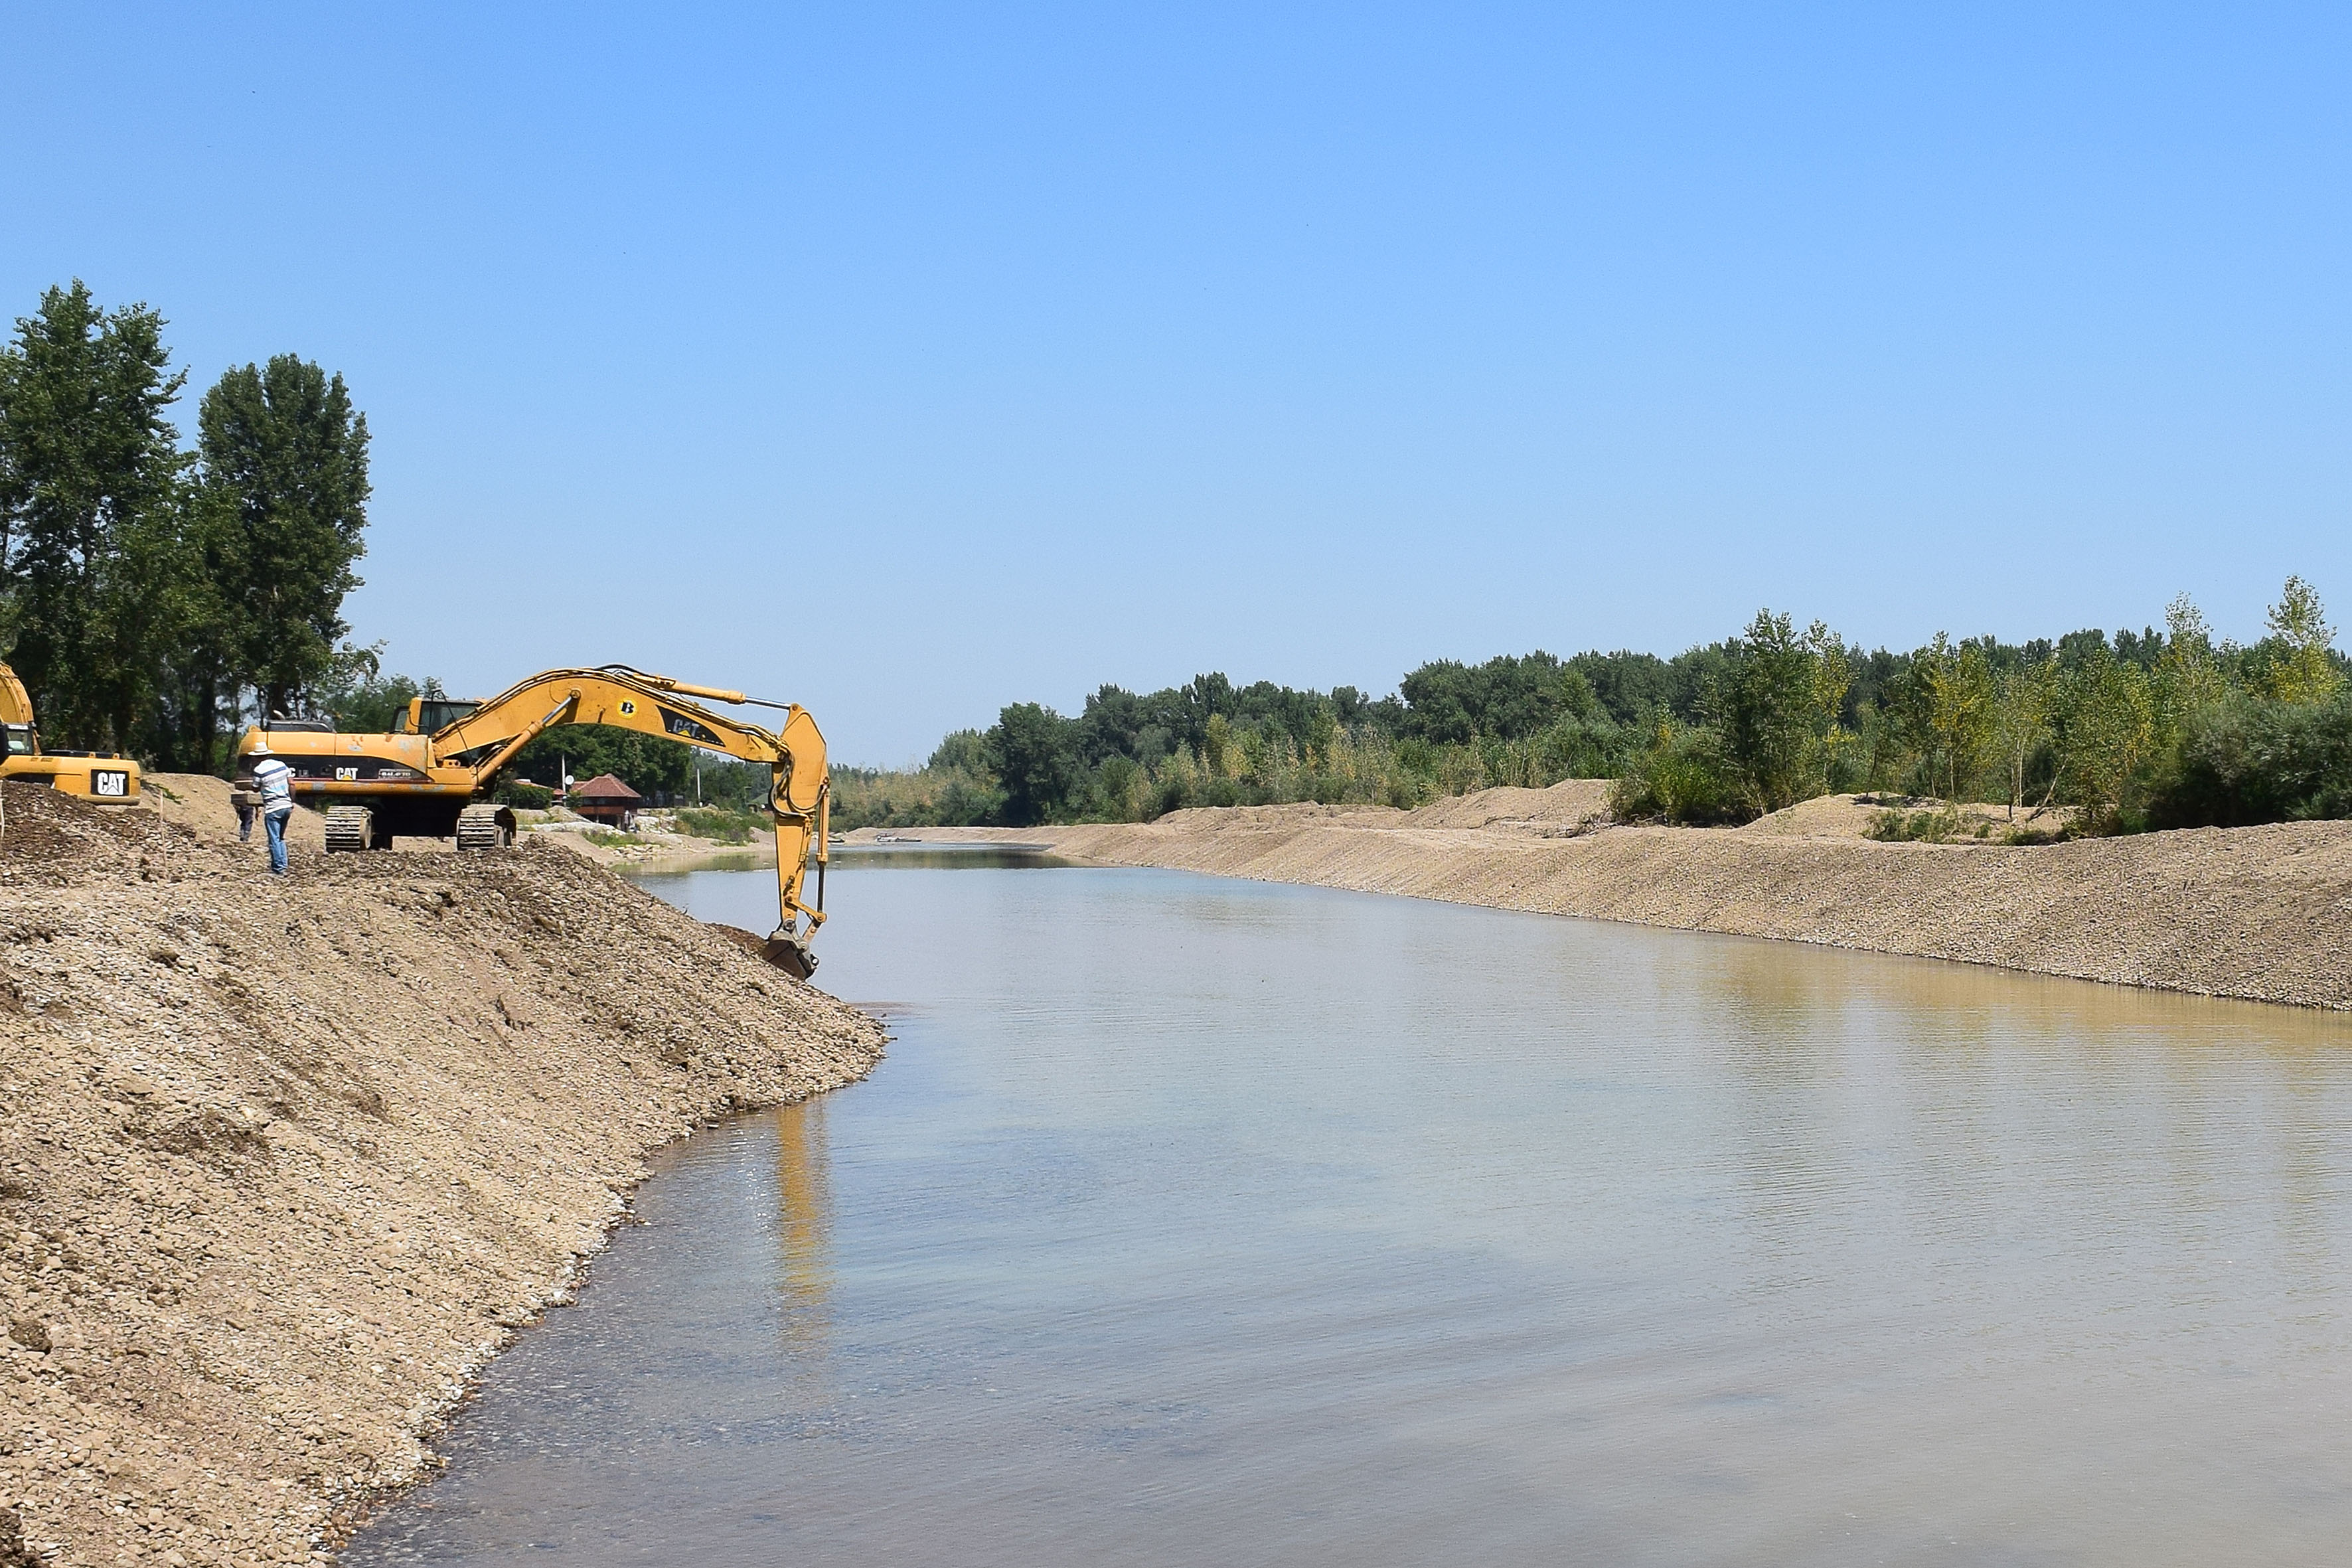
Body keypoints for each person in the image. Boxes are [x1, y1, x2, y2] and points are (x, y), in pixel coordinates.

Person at [249, 740, 295, 876]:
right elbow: (292, 784)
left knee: (274, 838)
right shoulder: (281, 765)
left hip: (273, 807)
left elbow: (255, 789)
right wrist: (292, 802)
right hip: (286, 804)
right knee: (281, 837)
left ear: (257, 757)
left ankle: (278, 869)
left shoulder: (259, 770)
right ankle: (284, 864)